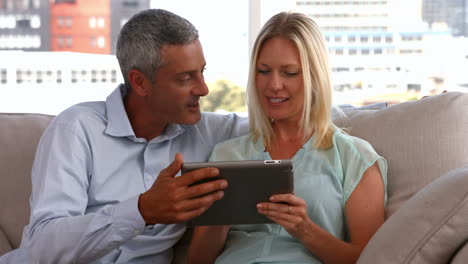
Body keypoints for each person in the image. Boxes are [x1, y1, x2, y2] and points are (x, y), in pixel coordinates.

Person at [0, 9, 248, 264]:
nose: (203, 89)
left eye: (202, 71)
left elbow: (277, 121)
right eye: (185, 78)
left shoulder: (209, 131)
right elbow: (44, 246)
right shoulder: (76, 129)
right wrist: (142, 210)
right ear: (139, 82)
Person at [187, 12, 387, 264]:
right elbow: (196, 261)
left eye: (289, 73)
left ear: (316, 78)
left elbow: (371, 260)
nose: (274, 85)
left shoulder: (354, 158)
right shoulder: (226, 155)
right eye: (263, 71)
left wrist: (306, 230)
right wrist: (220, 221)